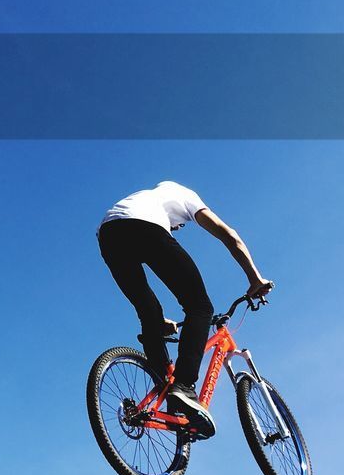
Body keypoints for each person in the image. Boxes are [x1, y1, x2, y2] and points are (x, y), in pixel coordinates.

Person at [97, 180, 273, 438]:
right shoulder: (186, 196)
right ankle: (184, 386)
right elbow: (229, 235)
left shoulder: (146, 197)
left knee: (150, 314)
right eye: (178, 227)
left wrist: (160, 321)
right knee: (199, 306)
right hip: (142, 227)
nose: (178, 228)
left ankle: (166, 394)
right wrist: (254, 278)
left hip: (108, 235)